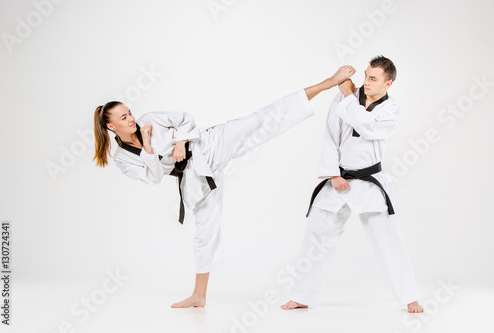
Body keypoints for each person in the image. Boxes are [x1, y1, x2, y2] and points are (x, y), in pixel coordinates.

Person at [92, 65, 356, 308]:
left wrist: (182, 141)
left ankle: (329, 83)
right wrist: (149, 146)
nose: (131, 119)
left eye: (129, 113)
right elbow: (153, 178)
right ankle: (199, 295)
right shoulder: (122, 158)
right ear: (110, 126)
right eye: (124, 118)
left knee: (263, 119)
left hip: (209, 144)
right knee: (204, 231)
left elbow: (185, 118)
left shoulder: (150, 118)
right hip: (195, 177)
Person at [280, 56, 424, 313]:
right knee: (316, 235)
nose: (365, 82)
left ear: (388, 83)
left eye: (373, 78)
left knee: (389, 239)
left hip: (370, 182)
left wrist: (347, 95)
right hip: (338, 179)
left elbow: (367, 126)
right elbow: (330, 136)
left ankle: (409, 296)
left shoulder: (391, 110)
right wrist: (332, 174)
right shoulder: (346, 97)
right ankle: (301, 295)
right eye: (366, 76)